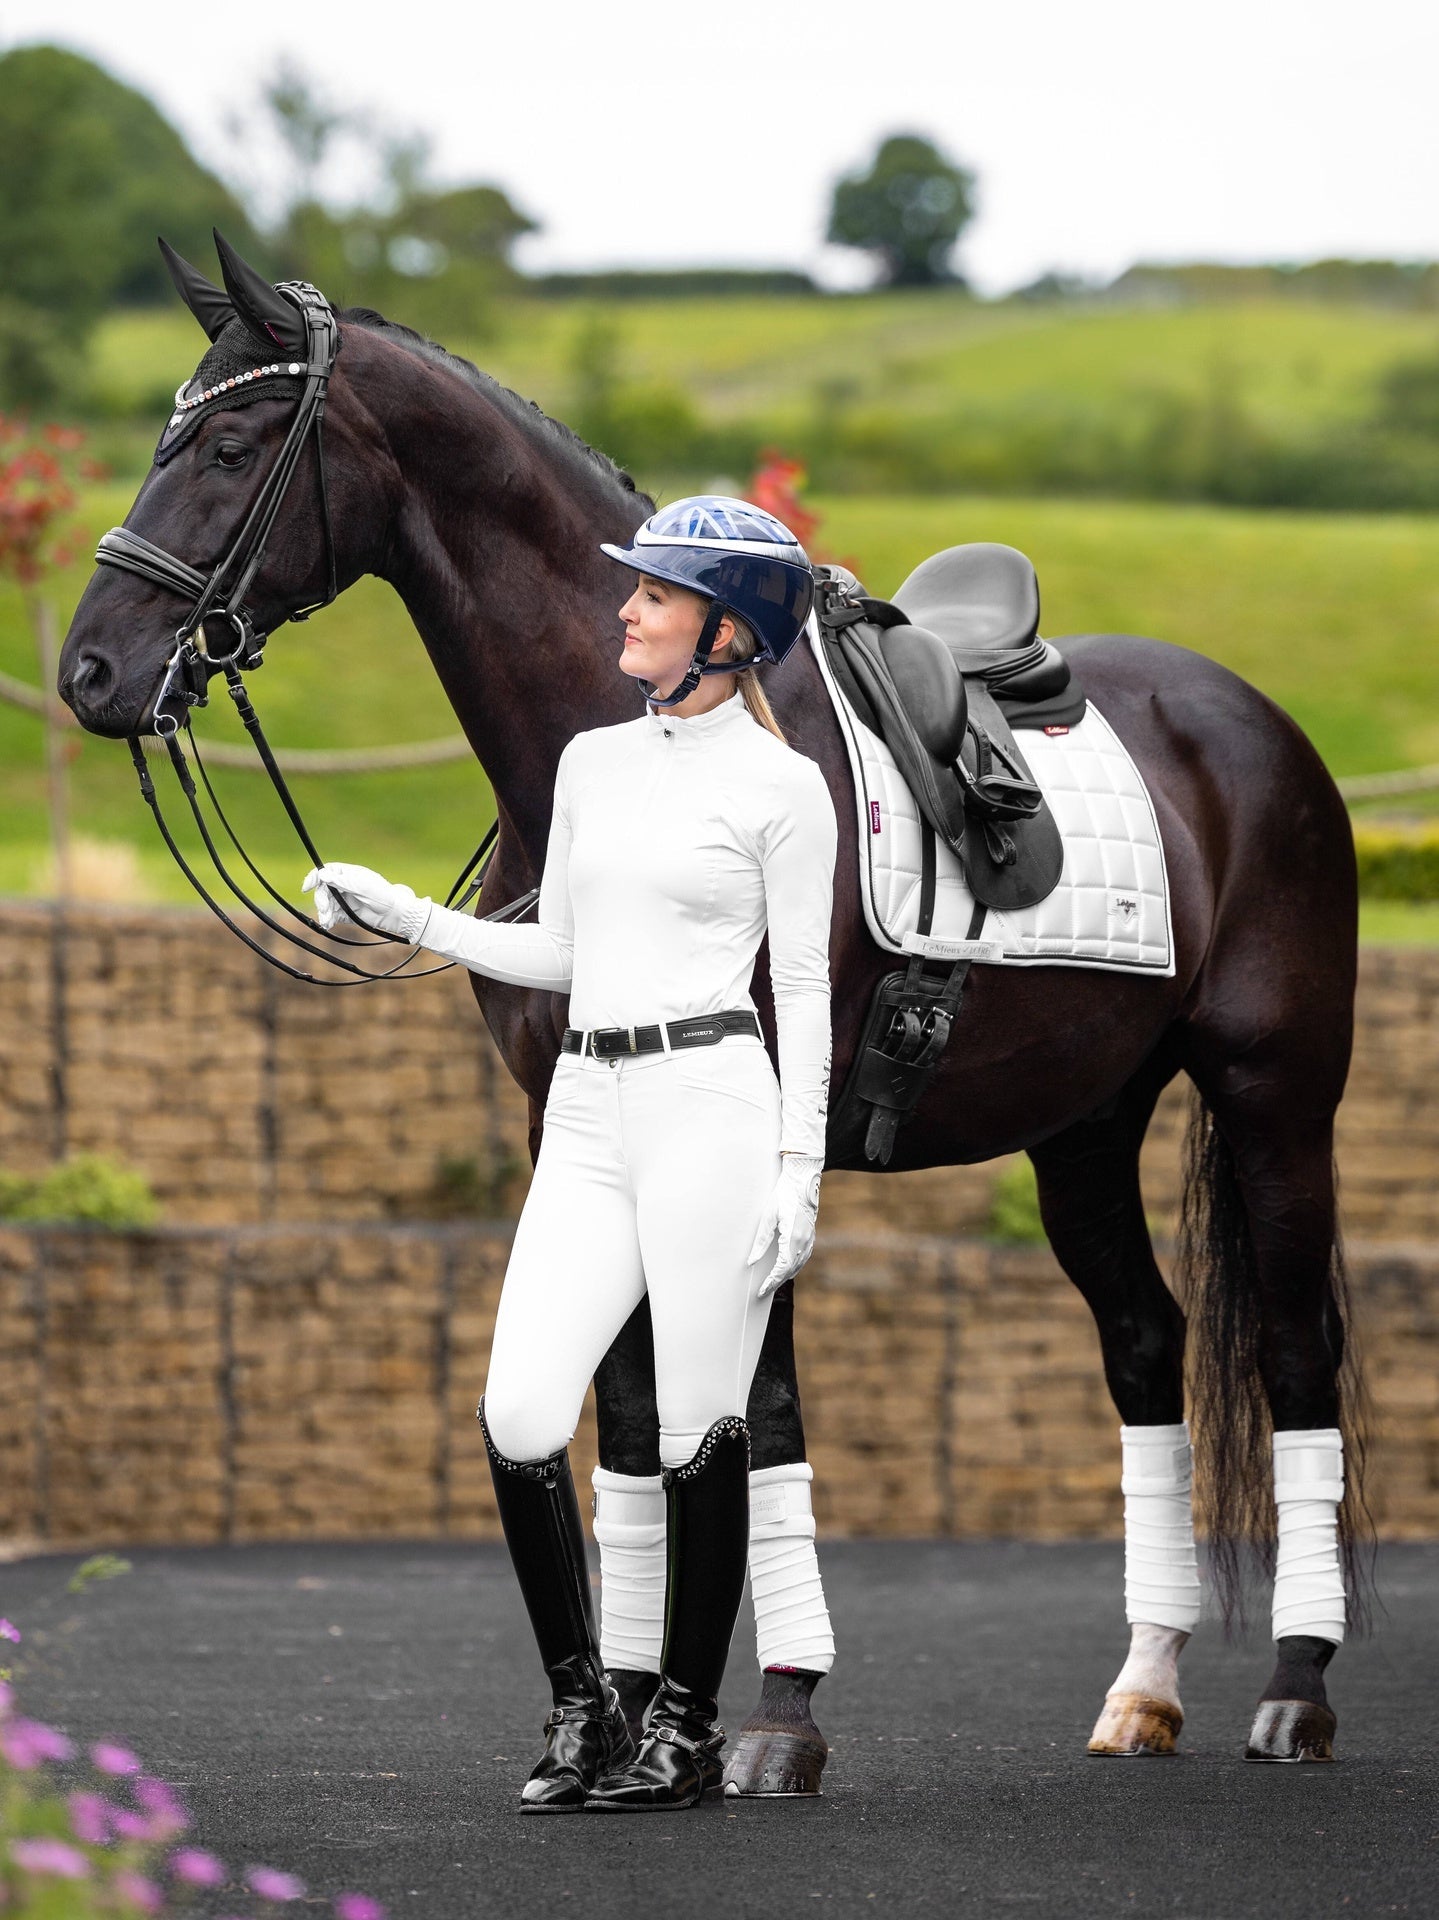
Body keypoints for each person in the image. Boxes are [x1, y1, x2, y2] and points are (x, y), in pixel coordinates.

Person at [304, 497, 838, 1813]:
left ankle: (688, 1730)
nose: (626, 611)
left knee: (703, 1423)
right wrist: (414, 916)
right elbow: (567, 955)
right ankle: (584, 1704)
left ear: (728, 630)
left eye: (654, 596)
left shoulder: (786, 791)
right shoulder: (593, 766)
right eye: (635, 593)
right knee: (521, 1410)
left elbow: (809, 991)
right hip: (591, 1107)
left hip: (712, 1101)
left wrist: (797, 1170)